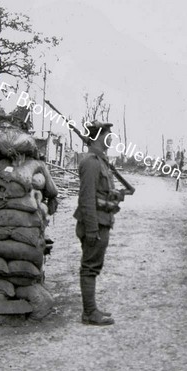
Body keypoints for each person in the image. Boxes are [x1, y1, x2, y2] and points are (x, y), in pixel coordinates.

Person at [74, 120, 119, 326]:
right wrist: (91, 229)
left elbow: (102, 193)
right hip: (95, 225)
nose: (110, 139)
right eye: (107, 135)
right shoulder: (91, 162)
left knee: (94, 266)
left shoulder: (101, 161)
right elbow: (86, 199)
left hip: (102, 221)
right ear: (98, 137)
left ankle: (91, 310)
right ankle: (90, 312)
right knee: (90, 267)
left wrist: (116, 196)